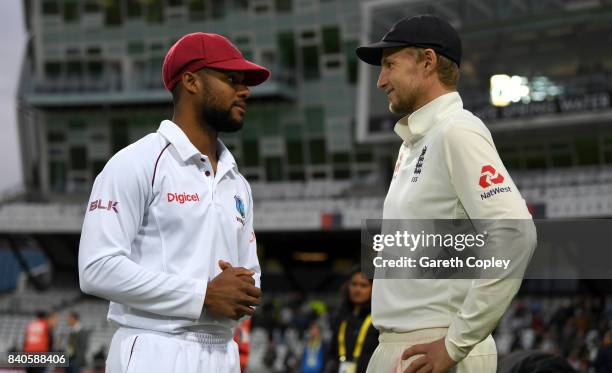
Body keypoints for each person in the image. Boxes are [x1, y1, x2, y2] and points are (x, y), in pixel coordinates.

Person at [79, 32, 269, 373]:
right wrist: (203, 295)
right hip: (154, 349)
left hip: (224, 352)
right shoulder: (137, 163)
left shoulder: (238, 183)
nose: (245, 91)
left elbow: (250, 275)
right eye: (231, 79)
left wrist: (242, 291)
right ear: (191, 81)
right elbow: (96, 268)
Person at [356, 15, 537, 373]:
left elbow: (515, 234)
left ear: (428, 61)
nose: (381, 81)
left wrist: (455, 344)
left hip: (433, 347)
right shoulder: (416, 141)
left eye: (390, 64)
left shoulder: (458, 131)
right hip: (402, 344)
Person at [325, 269, 378, 373]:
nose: (357, 289)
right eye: (354, 284)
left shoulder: (378, 318)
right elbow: (332, 350)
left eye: (363, 285)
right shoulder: (339, 316)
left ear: (373, 288)